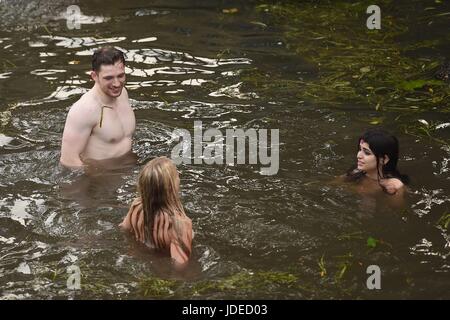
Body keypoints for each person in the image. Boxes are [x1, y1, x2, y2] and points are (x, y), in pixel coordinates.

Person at [60, 47, 136, 168]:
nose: (117, 84)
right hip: (101, 177)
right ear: (94, 76)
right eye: (109, 78)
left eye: (120, 76)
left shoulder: (123, 94)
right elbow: (68, 159)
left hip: (128, 169)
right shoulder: (85, 109)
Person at [119, 157, 193, 266]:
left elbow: (124, 229)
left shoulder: (137, 206)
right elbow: (180, 266)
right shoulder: (180, 225)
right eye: (177, 176)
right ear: (171, 187)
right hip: (161, 269)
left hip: (140, 260)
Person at [344, 128, 409, 196]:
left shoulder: (394, 185)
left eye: (367, 153)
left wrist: (399, 191)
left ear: (384, 159)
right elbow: (334, 184)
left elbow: (397, 206)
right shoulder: (356, 171)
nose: (358, 156)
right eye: (360, 149)